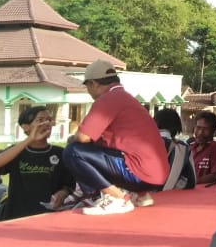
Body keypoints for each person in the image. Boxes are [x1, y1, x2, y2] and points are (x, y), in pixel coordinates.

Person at [62, 59, 170, 215]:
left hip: (139, 172)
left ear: (94, 84)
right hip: (156, 175)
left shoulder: (108, 99)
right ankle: (140, 195)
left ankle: (116, 198)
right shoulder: (126, 97)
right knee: (97, 148)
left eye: (88, 87)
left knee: (73, 151)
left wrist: (73, 139)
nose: (89, 91)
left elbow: (83, 137)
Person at [0, 105, 75, 220]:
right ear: (26, 127)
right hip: (17, 217)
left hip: (49, 216)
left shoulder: (60, 153)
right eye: (40, 120)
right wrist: (30, 139)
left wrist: (63, 193)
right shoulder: (16, 151)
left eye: (49, 120)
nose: (47, 123)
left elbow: (69, 184)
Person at [153, 108, 196, 191]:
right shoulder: (182, 147)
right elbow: (192, 180)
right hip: (171, 194)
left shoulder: (143, 143)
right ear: (176, 126)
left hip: (141, 193)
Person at [190, 110, 216, 184]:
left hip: (205, 190)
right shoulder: (190, 146)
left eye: (205, 129)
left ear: (213, 131)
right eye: (198, 128)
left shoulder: (215, 147)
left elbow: (215, 176)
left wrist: (192, 182)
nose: (200, 132)